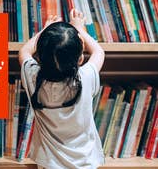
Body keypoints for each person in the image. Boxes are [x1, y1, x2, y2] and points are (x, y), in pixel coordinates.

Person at [19, 9, 105, 169]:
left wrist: (45, 30)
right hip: (85, 163)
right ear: (80, 58)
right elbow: (99, 52)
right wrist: (79, 28)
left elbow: (24, 51)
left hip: (49, 164)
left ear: (39, 56)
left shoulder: (33, 77)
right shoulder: (85, 78)